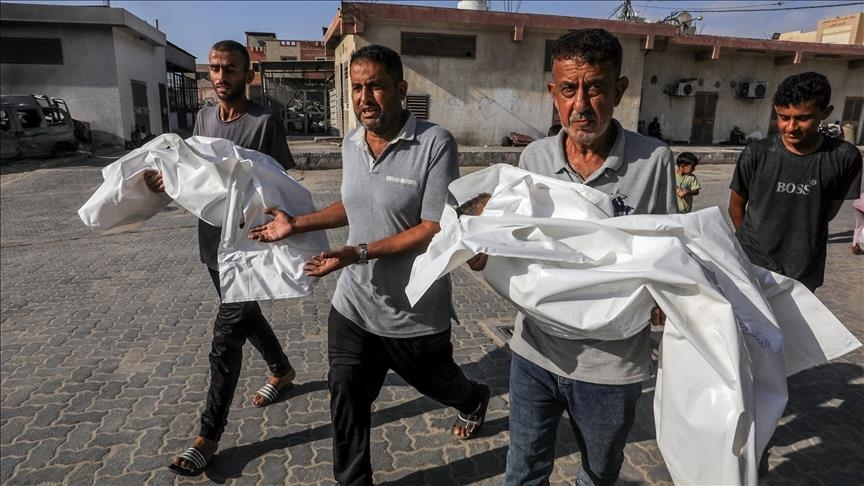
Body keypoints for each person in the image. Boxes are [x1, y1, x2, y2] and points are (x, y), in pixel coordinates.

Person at [247, 44, 490, 486]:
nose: (364, 98)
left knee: (443, 385)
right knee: (346, 395)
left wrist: (357, 253)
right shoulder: (352, 142)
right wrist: (296, 223)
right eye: (357, 88)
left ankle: (473, 399)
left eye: (375, 86)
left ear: (400, 89)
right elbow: (354, 203)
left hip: (413, 313)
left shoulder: (434, 143)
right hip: (354, 307)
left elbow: (433, 227)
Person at [471, 29, 676, 485]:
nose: (580, 105)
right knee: (523, 471)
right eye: (568, 89)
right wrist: (478, 250)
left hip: (612, 365)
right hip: (535, 353)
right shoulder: (533, 159)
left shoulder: (653, 160)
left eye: (595, 87)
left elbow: (667, 246)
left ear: (619, 90)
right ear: (553, 93)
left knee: (598, 474)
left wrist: (666, 296)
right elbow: (512, 243)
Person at [144, 40, 297, 477]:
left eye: (230, 69)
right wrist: (167, 182)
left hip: (248, 245)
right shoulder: (204, 118)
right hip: (211, 244)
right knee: (246, 315)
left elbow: (280, 181)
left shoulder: (265, 121)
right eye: (214, 68)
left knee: (226, 337)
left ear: (248, 75)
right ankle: (282, 370)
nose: (221, 76)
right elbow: (193, 176)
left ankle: (208, 436)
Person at [728, 71, 862, 292]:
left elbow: (827, 212)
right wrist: (752, 249)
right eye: (783, 117)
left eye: (802, 118)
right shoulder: (756, 153)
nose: (791, 127)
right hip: (752, 266)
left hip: (803, 271)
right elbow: (736, 207)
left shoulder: (844, 157)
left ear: (825, 113)